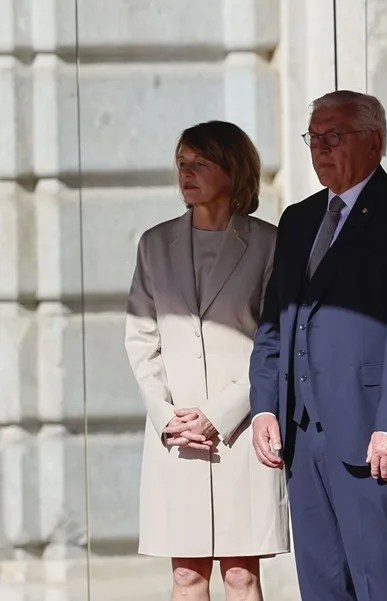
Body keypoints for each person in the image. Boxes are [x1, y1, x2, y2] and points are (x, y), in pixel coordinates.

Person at [248, 90, 387, 601]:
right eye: (314, 137)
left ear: (375, 142)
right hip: (302, 437)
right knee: (323, 585)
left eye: (334, 136)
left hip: (372, 435)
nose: (320, 148)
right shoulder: (298, 219)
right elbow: (274, 323)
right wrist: (264, 407)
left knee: (382, 583)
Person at [124, 120, 288, 601]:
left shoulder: (270, 243)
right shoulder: (154, 244)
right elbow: (141, 338)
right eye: (182, 163)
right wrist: (166, 416)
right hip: (176, 433)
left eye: (200, 163)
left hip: (241, 429)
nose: (187, 173)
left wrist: (221, 413)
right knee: (186, 575)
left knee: (241, 574)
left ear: (233, 170)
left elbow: (275, 338)